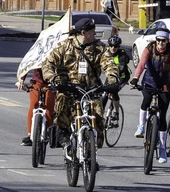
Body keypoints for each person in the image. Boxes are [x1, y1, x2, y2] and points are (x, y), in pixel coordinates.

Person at [41, 17, 119, 153]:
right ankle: (65, 140)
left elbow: (109, 65)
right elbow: (48, 63)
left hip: (91, 90)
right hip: (69, 89)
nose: (95, 34)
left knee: (99, 119)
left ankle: (90, 154)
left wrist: (112, 79)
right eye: (92, 31)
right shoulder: (65, 46)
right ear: (84, 32)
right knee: (61, 113)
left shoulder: (99, 47)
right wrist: (53, 78)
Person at [130, 29, 170, 164]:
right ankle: (141, 126)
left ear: (167, 41)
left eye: (163, 41)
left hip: (164, 85)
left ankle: (163, 149)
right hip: (149, 82)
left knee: (163, 115)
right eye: (158, 40)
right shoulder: (149, 48)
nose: (160, 43)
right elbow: (141, 64)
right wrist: (136, 78)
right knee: (146, 101)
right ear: (155, 40)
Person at [16, 68, 55, 147]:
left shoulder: (55, 55)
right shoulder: (36, 55)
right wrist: (21, 79)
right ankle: (30, 135)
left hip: (52, 81)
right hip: (37, 81)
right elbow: (27, 65)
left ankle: (51, 134)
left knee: (49, 106)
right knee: (34, 104)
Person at [104, 34, 131, 125]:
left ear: (118, 46)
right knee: (104, 94)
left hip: (122, 77)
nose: (113, 48)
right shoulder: (106, 53)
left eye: (115, 46)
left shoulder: (122, 55)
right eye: (111, 45)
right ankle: (101, 114)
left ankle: (116, 113)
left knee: (113, 91)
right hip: (111, 76)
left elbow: (122, 68)